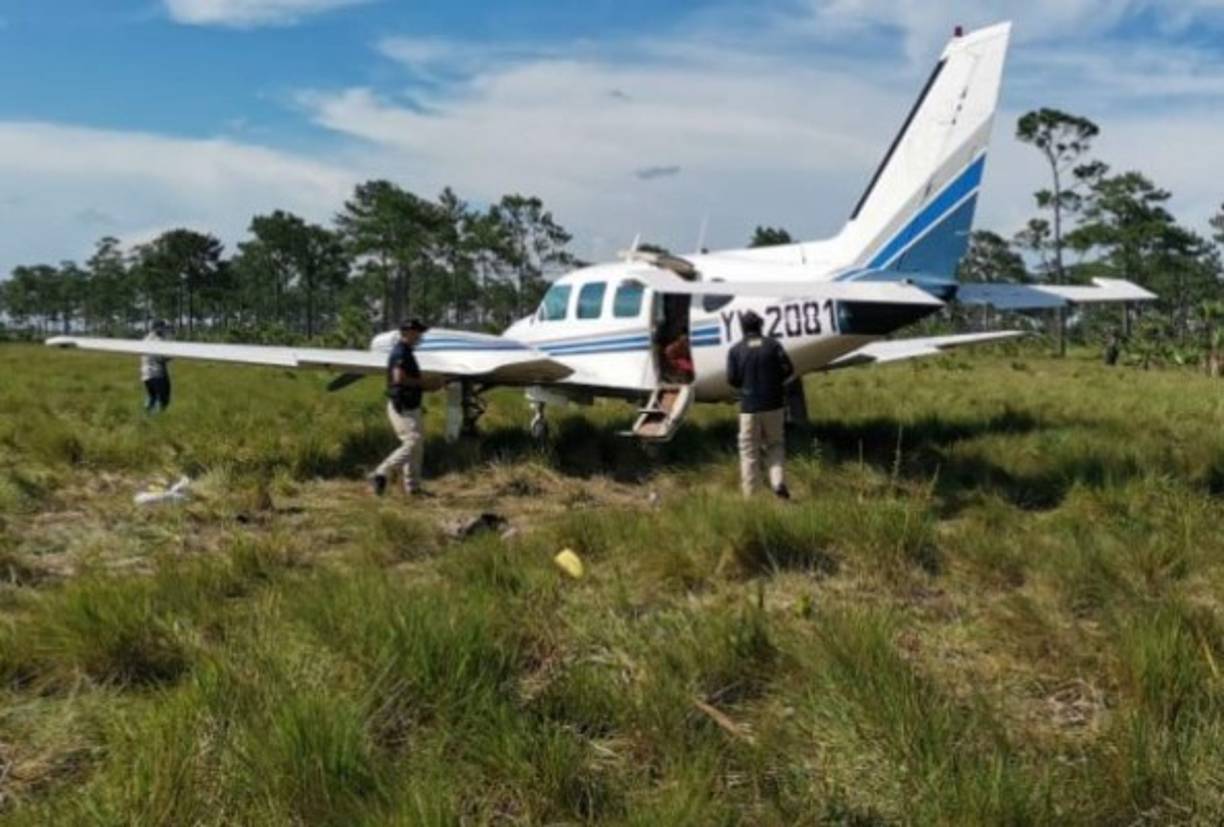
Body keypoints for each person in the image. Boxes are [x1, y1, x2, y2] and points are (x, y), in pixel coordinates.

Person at [727, 310, 795, 499]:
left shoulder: (735, 350)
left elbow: (732, 379)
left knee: (749, 451)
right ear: (761, 326)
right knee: (775, 444)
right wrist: (774, 382)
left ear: (742, 328)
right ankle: (778, 482)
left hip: (748, 407)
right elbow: (788, 370)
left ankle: (751, 496)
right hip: (774, 404)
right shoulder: (773, 345)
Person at [371, 319, 430, 497]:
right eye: (417, 332)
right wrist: (424, 383)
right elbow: (399, 378)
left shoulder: (407, 352)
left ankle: (413, 488)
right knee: (413, 441)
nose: (419, 335)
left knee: (417, 446)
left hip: (411, 404)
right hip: (403, 405)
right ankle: (381, 472)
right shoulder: (401, 352)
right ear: (407, 333)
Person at [141, 320, 172, 413]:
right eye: (163, 327)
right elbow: (161, 358)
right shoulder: (158, 340)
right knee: (163, 399)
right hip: (158, 373)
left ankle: (146, 415)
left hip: (145, 373)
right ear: (158, 328)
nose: (165, 330)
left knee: (152, 396)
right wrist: (171, 356)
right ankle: (159, 417)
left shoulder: (145, 339)